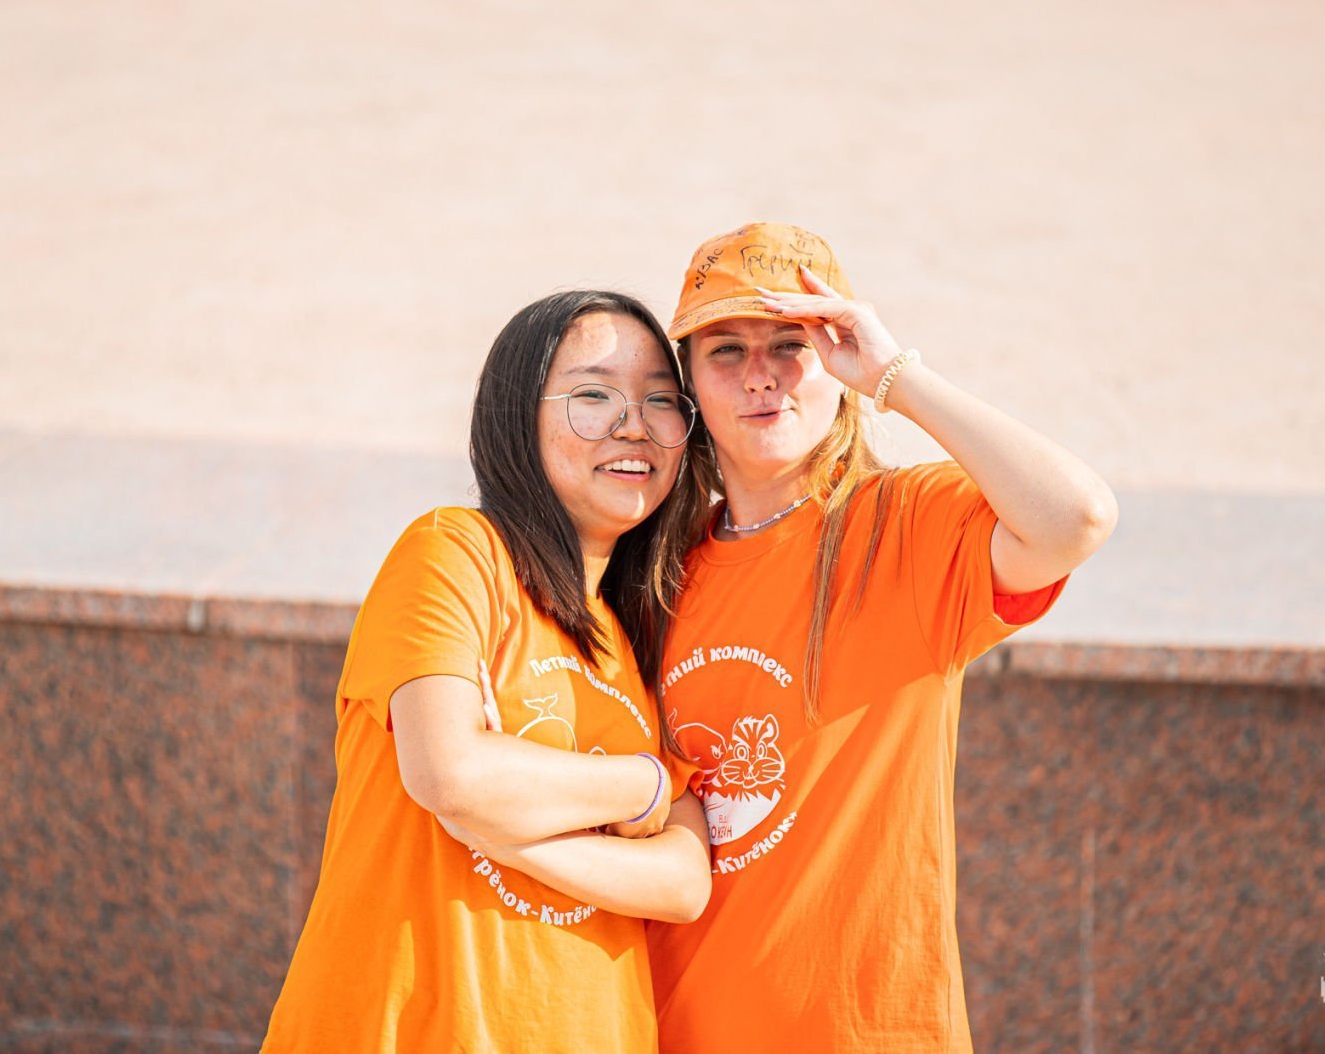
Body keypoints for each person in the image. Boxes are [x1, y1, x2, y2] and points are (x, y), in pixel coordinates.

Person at [646, 222, 1118, 1053]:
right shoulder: (657, 572)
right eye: (726, 350)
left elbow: (1076, 517)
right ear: (690, 387)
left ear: (837, 362)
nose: (759, 374)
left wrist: (897, 376)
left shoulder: (903, 529)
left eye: (790, 344)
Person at [260, 291, 712, 1054]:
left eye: (661, 400)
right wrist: (642, 785)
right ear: (515, 416)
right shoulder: (455, 553)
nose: (634, 424)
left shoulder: (639, 631)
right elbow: (451, 771)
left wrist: (512, 836)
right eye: (593, 395)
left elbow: (682, 882)